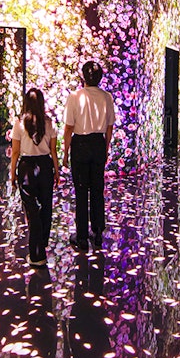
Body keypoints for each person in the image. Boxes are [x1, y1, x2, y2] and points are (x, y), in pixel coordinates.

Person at [62, 61, 117, 252]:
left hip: (80, 144)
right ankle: (98, 232)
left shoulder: (75, 97)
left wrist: (65, 152)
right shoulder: (106, 97)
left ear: (83, 76)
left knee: (81, 190)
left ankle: (82, 236)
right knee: (97, 189)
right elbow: (109, 127)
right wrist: (106, 147)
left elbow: (69, 127)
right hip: (98, 144)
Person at [10, 88, 59, 267]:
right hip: (45, 166)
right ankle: (42, 243)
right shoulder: (49, 123)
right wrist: (57, 170)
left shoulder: (19, 124)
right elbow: (53, 150)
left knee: (31, 210)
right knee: (46, 207)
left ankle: (36, 253)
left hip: (26, 168)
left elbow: (15, 152)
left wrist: (12, 173)